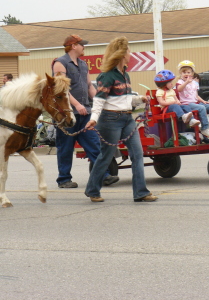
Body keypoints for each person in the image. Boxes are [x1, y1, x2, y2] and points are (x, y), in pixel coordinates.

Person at [84, 36, 157, 203]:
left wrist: (139, 99)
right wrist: (94, 119)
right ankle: (92, 189)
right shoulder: (107, 76)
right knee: (106, 156)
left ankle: (141, 192)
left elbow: (124, 98)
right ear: (122, 53)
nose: (131, 54)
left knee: (137, 154)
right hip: (110, 119)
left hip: (127, 118)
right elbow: (99, 100)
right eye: (129, 51)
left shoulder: (125, 75)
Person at [53, 34, 119, 189]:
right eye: (82, 44)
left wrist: (99, 104)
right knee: (65, 147)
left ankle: (103, 176)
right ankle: (64, 179)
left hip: (85, 113)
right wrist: (76, 105)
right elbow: (61, 89)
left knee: (94, 145)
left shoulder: (83, 65)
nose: (84, 47)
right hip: (67, 115)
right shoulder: (60, 63)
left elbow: (90, 86)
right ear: (73, 46)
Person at [176, 60, 209, 138]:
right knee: (201, 108)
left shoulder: (194, 83)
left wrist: (203, 101)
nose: (186, 74)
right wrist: (186, 83)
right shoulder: (180, 82)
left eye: (188, 72)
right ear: (181, 74)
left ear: (192, 73)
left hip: (195, 102)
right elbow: (179, 89)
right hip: (187, 104)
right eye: (184, 72)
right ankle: (205, 127)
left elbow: (196, 95)